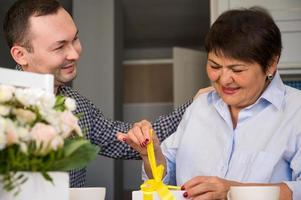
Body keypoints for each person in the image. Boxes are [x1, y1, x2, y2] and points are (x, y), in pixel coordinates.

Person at [2, 0, 212, 187]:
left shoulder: (78, 106)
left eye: (75, 39)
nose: (75, 53)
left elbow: (130, 142)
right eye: (59, 47)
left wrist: (193, 105)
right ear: (20, 54)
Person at [117, 7, 301, 200]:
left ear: (271, 63)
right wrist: (151, 155)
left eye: (237, 70)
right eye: (214, 66)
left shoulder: (296, 111)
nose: (223, 79)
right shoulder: (199, 107)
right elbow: (163, 179)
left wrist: (232, 191)